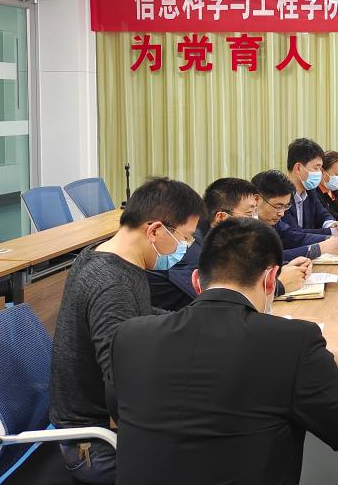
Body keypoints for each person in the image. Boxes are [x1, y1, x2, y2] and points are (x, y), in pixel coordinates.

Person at [111, 218, 338, 484]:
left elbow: (119, 410)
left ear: (196, 281)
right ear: (270, 280)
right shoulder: (293, 342)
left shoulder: (130, 336)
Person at [49, 177, 205, 484]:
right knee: (219, 457)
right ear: (155, 230)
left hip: (105, 427)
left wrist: (197, 327)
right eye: (185, 238)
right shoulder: (111, 284)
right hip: (97, 444)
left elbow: (142, 315)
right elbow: (121, 385)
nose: (186, 248)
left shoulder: (109, 256)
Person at [146, 177, 311, 310]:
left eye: (255, 211)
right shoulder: (189, 246)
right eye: (249, 213)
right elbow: (219, 301)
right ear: (221, 218)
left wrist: (279, 270)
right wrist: (278, 285)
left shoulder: (220, 240)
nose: (255, 219)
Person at [278, 138, 338, 245]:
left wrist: (333, 224)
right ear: (298, 168)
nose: (319, 174)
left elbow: (322, 214)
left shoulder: (310, 191)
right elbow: (294, 234)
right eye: (316, 168)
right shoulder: (280, 194)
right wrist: (334, 232)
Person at [253, 169, 338, 261]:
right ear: (257, 199)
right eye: (278, 206)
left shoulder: (273, 222)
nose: (282, 213)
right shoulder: (246, 228)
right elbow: (268, 258)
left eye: (286, 206)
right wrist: (319, 249)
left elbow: (295, 237)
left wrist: (330, 239)